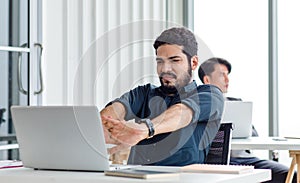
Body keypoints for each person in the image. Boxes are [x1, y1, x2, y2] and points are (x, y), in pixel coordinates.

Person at [100, 27, 224, 166]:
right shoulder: (144, 93)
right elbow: (112, 113)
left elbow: (182, 113)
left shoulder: (210, 94)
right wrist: (108, 123)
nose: (165, 69)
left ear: (193, 63)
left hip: (182, 179)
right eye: (160, 61)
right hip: (136, 178)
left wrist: (143, 130)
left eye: (174, 60)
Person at [198, 57, 296, 183]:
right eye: (222, 75)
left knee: (292, 176)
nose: (227, 80)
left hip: (246, 159)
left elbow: (253, 135)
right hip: (215, 162)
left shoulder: (236, 103)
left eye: (228, 75)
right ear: (207, 79)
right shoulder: (197, 106)